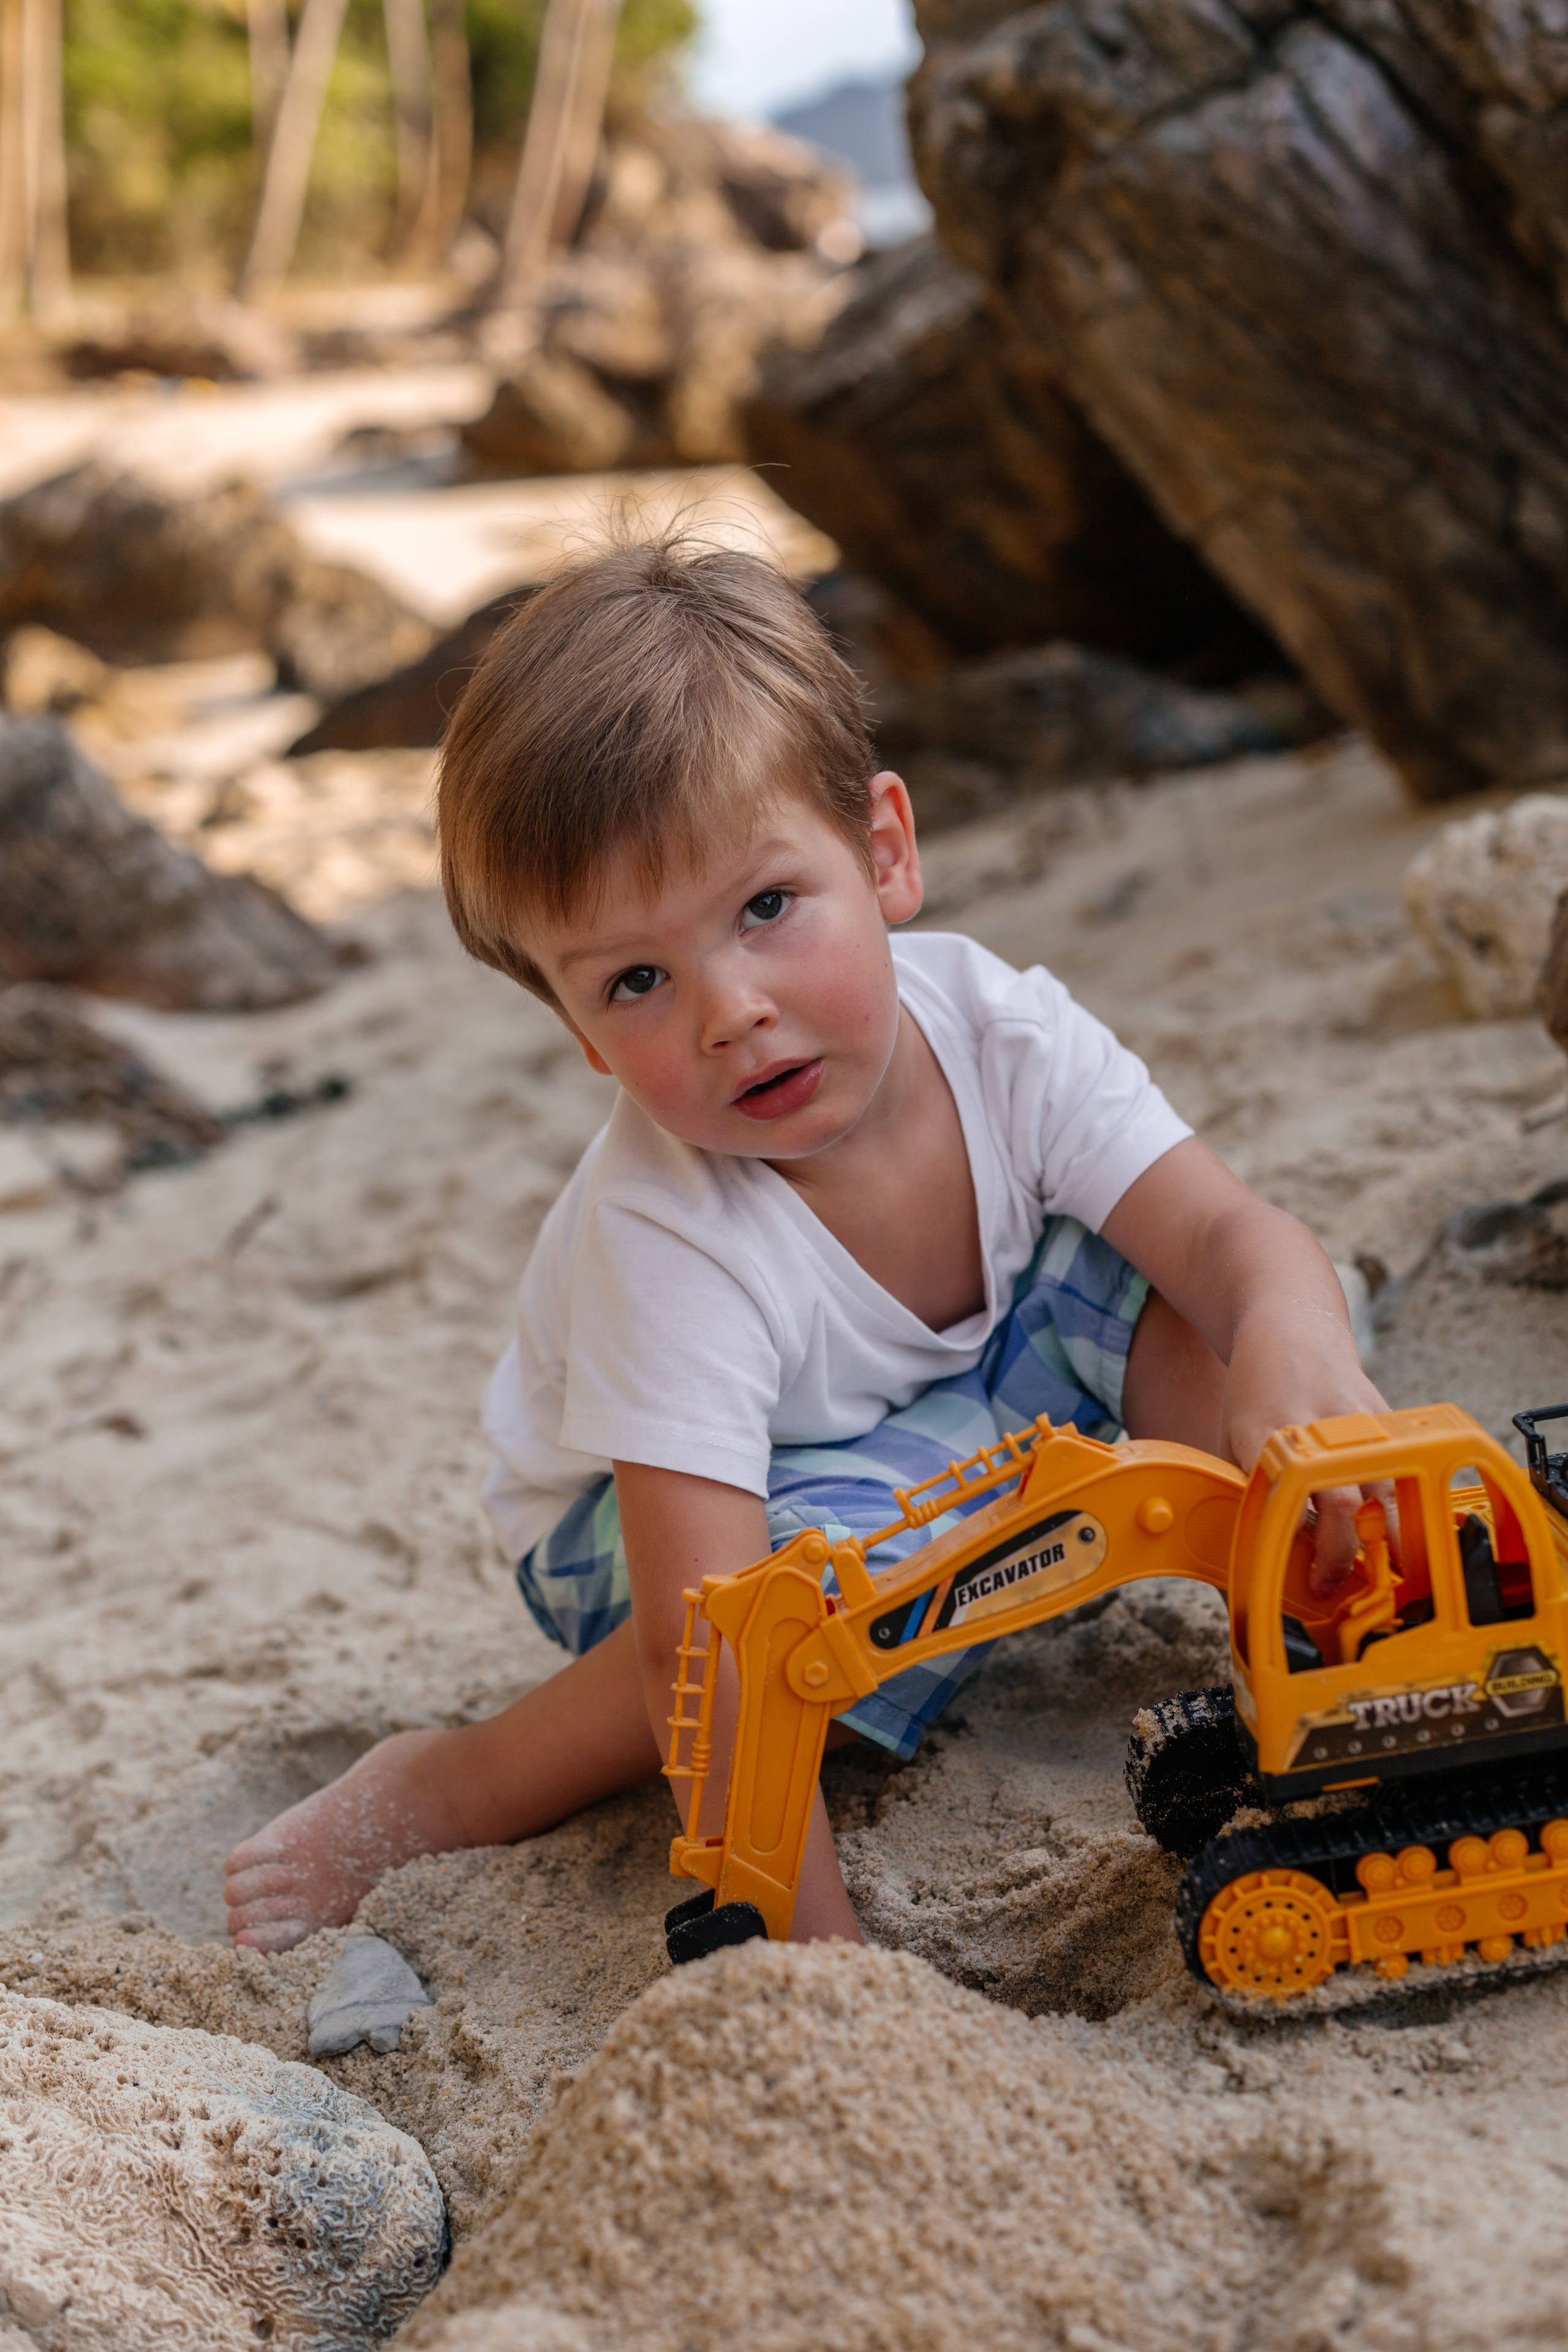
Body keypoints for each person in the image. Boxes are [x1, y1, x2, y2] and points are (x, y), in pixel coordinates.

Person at [224, 540, 1384, 1954]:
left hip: (949, 1395)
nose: (729, 1012)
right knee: (819, 1592)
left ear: (883, 852)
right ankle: (457, 1777)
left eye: (766, 909)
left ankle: (1324, 1607)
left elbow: (1224, 1233)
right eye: (635, 981)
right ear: (580, 1031)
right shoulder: (667, 1234)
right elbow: (702, 1643)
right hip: (665, 1526)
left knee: (1203, 1308)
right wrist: (812, 1955)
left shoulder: (1001, 1032)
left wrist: (1291, 1346)